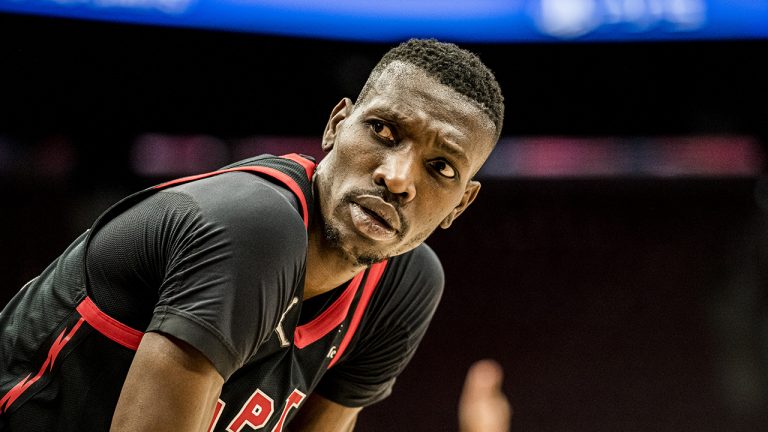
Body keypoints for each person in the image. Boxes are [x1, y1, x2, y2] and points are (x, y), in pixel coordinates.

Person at [0, 38, 504, 431]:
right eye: (383, 132)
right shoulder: (254, 227)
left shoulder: (404, 286)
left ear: (460, 204)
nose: (397, 178)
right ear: (337, 125)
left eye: (439, 167)